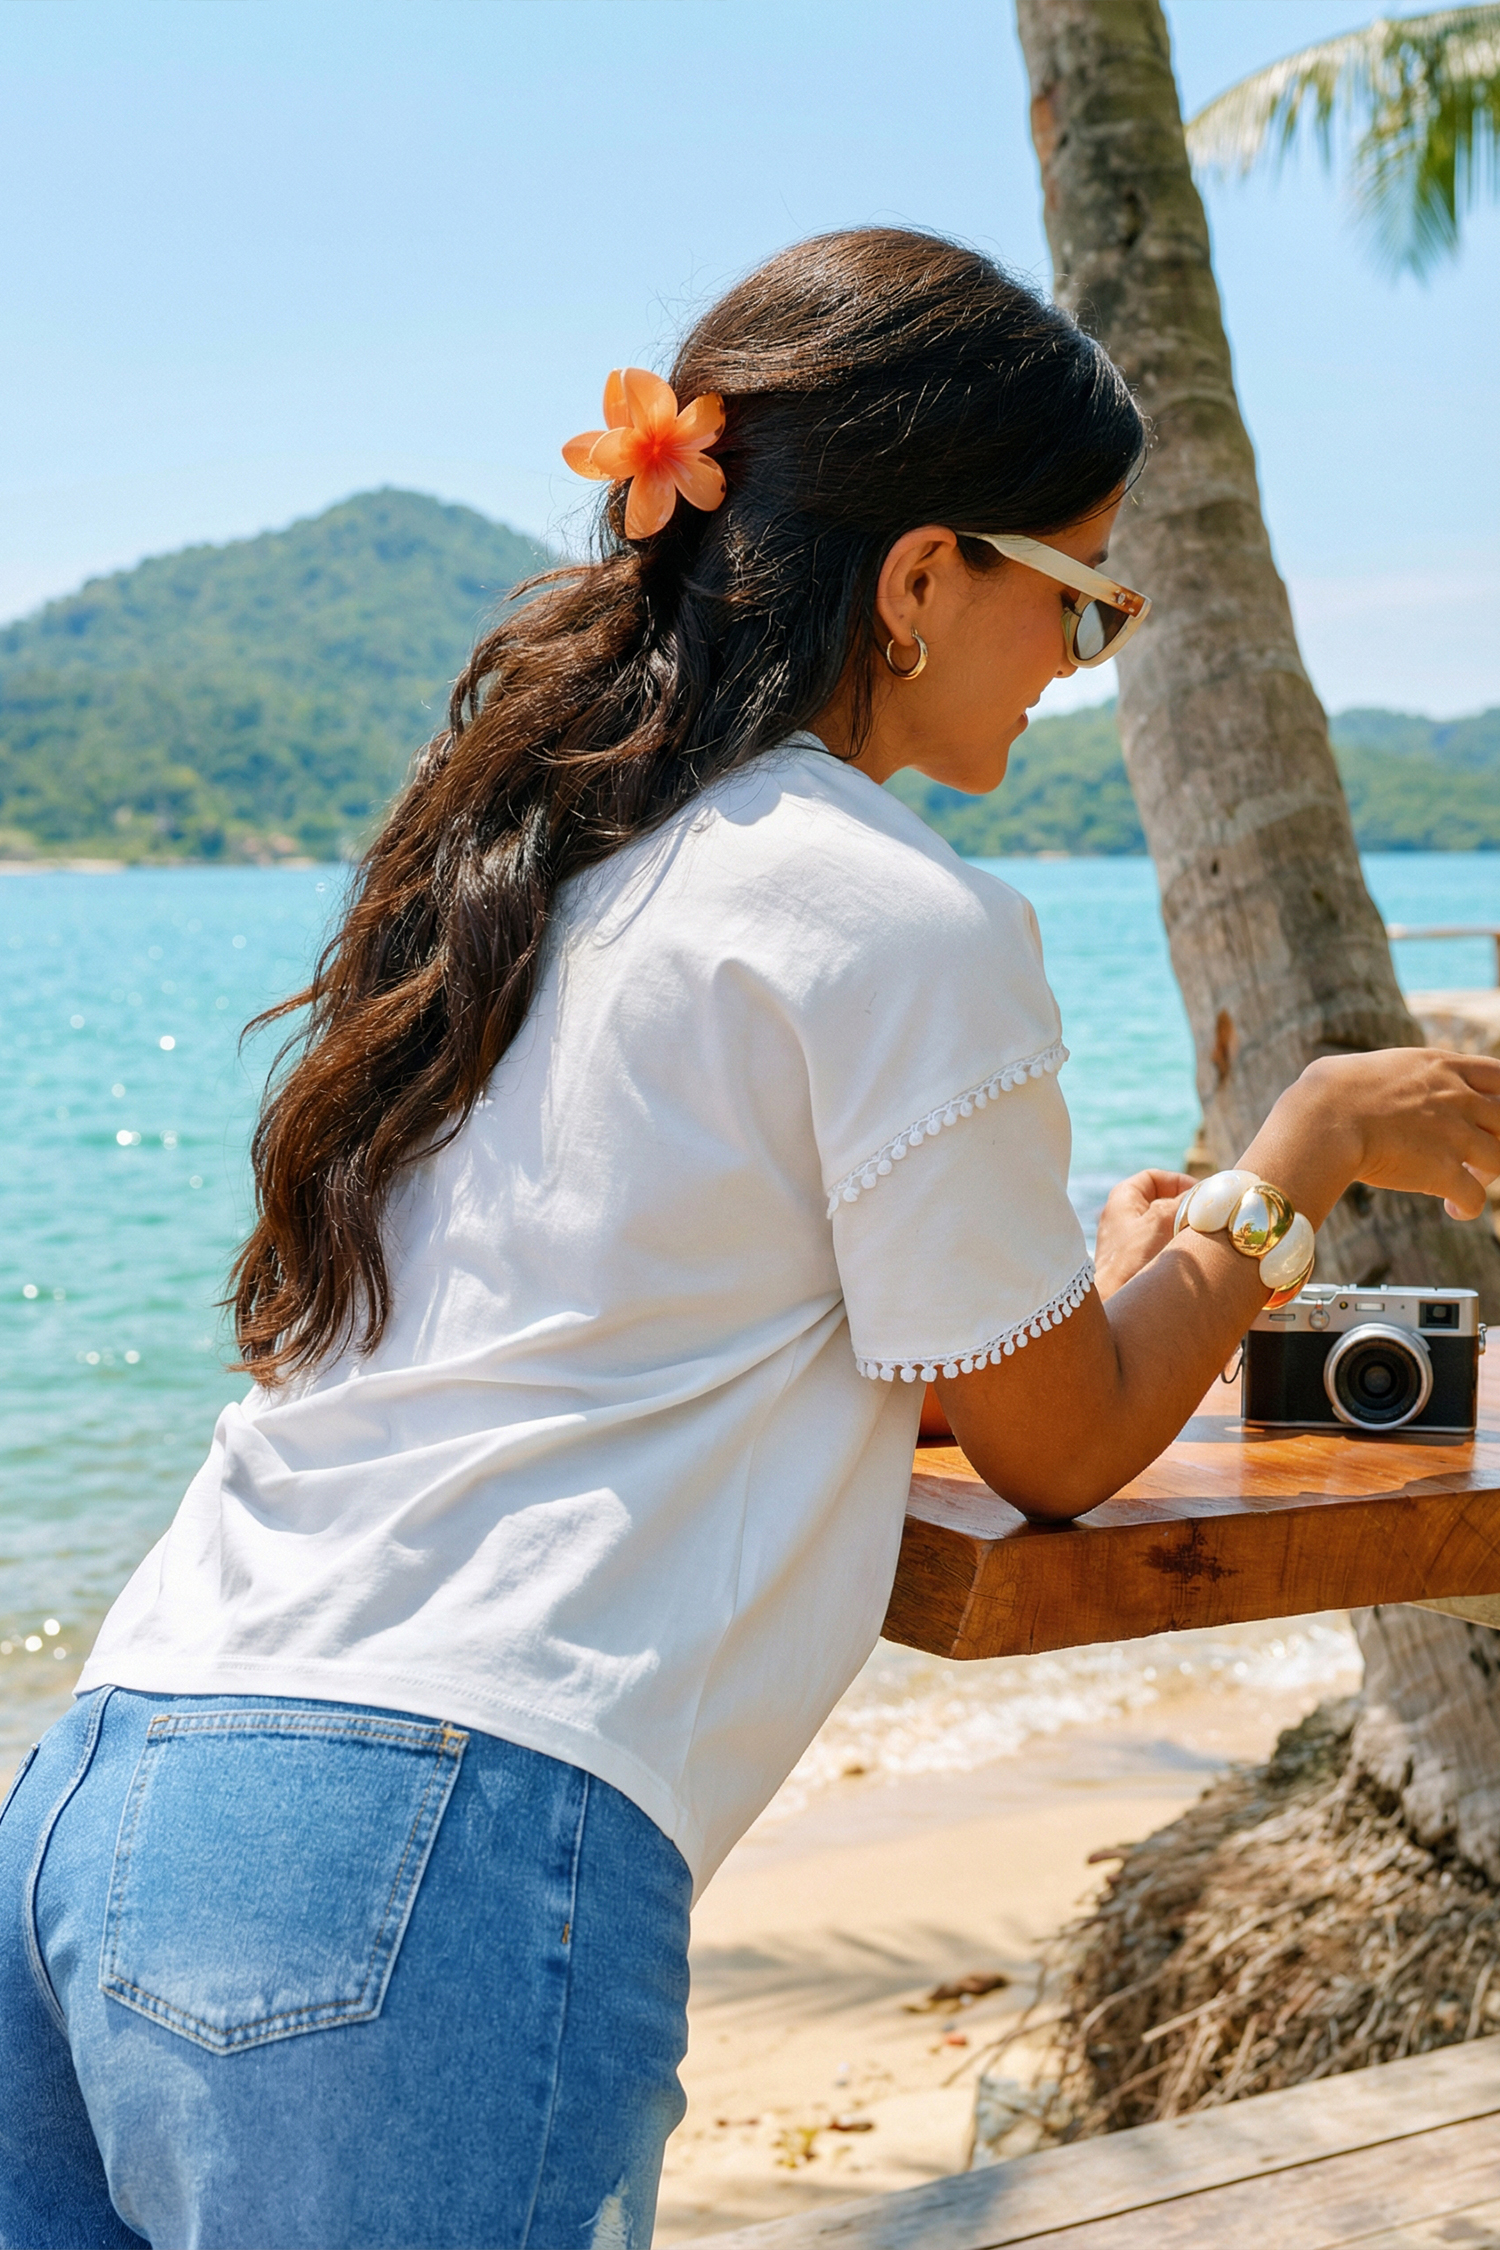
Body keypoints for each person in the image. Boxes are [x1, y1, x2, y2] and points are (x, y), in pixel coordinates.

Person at [2, 227, 1495, 2250]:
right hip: (428, 1842)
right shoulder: (895, 911)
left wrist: (1104, 1257)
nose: (1082, 662)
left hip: (117, 1777)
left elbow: (677, 1302)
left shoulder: (549, 873)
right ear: (918, 581)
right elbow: (1058, 1445)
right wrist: (1295, 1156)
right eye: (1084, 598)